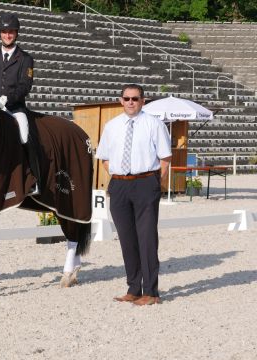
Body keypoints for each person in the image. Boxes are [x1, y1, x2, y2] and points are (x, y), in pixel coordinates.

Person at [96, 84, 172, 306]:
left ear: (143, 101)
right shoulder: (112, 126)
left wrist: (156, 183)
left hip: (145, 183)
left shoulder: (154, 124)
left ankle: (151, 292)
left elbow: (165, 158)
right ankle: (133, 289)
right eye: (127, 98)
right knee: (127, 240)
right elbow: (104, 157)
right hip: (119, 185)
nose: (131, 102)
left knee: (147, 238)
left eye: (135, 98)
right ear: (121, 101)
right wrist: (117, 172)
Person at [0, 13, 41, 192]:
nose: (7, 35)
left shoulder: (26, 59)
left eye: (11, 32)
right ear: (0, 33)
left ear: (16, 33)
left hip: (15, 107)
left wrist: (7, 99)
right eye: (4, 32)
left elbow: (25, 86)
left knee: (23, 134)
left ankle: (31, 178)